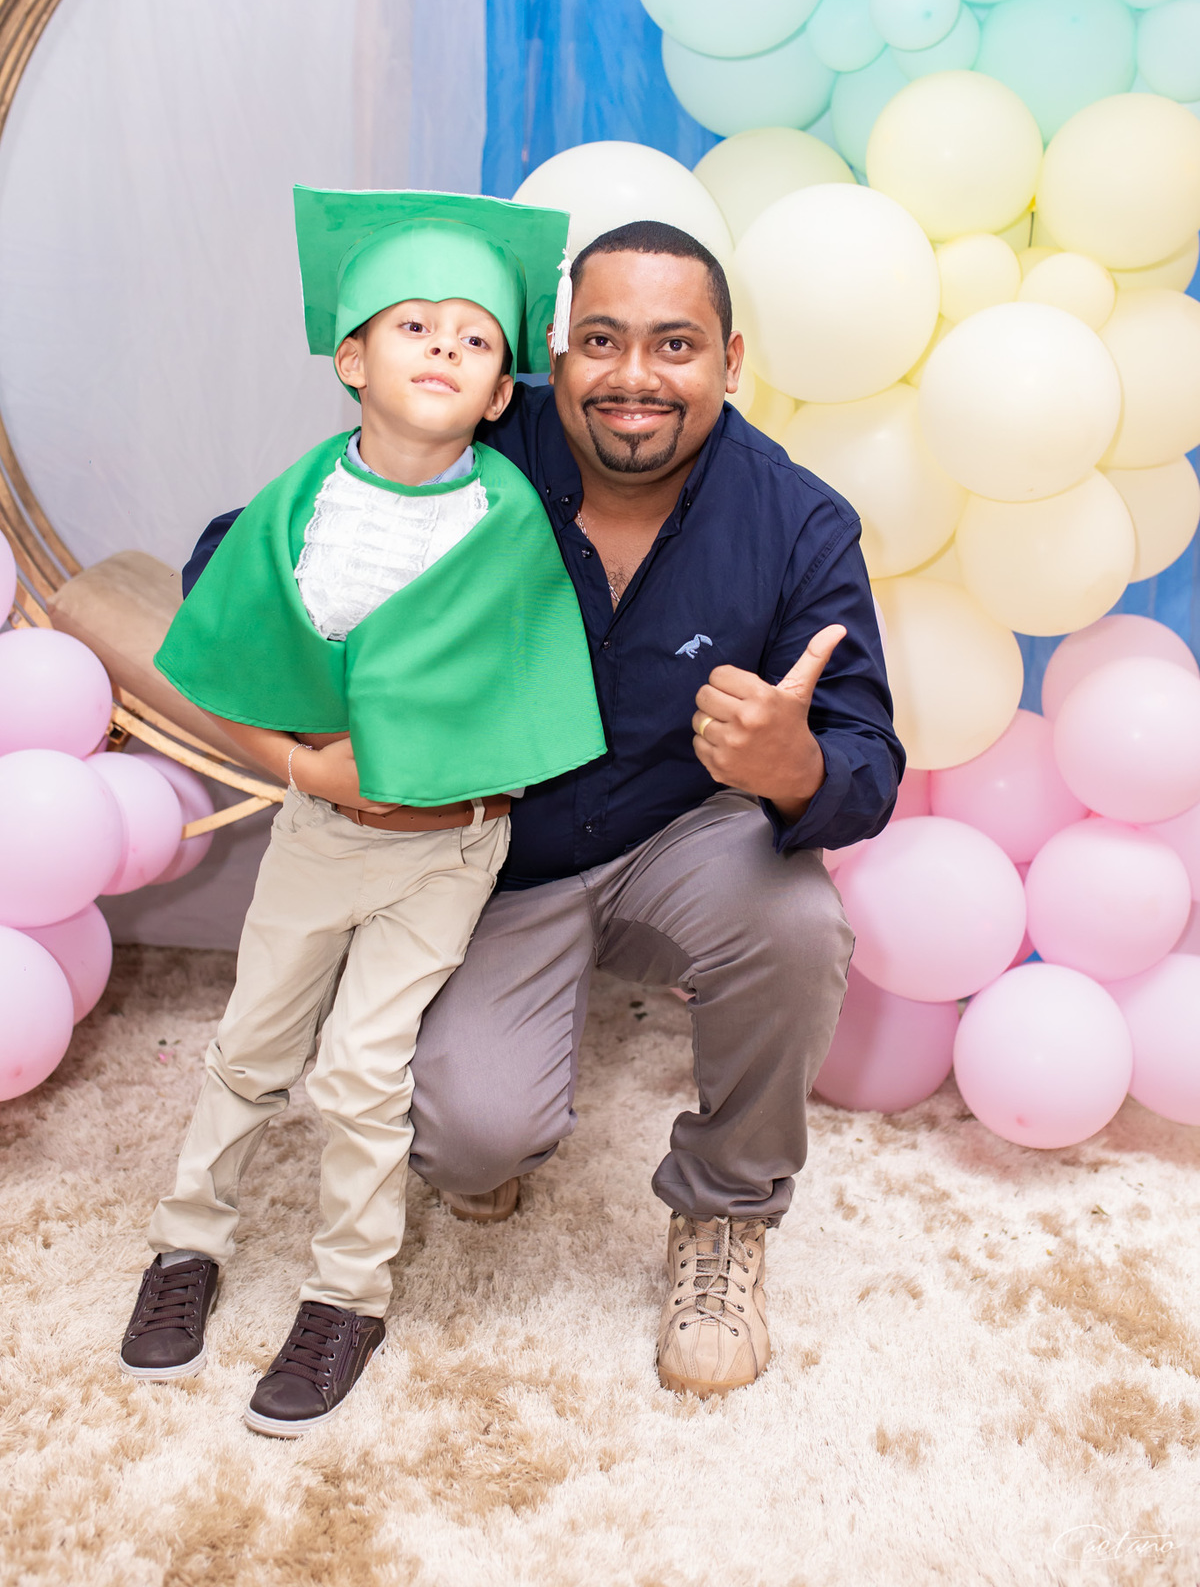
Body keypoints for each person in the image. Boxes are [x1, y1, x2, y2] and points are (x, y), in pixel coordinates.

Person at [181, 216, 904, 1402]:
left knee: (798, 922)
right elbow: (242, 556)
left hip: (682, 834)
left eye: (676, 345)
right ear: (552, 353)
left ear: (730, 362)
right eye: (601, 341)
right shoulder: (472, 431)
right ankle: (495, 1125)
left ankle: (726, 1211)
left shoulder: (798, 520)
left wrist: (796, 767)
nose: (634, 377)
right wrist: (331, 725)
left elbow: (867, 757)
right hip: (489, 853)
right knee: (464, 1139)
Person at [118, 188, 605, 1436]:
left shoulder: (507, 522)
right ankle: (187, 1242)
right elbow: (220, 664)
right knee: (250, 1045)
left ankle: (347, 1296)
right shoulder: (299, 505)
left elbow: (523, 695)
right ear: (352, 360)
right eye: (414, 326)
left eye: (477, 338)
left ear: (498, 394)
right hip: (319, 835)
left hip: (449, 849)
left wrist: (412, 759)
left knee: (362, 1070)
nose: (446, 347)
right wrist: (307, 771)